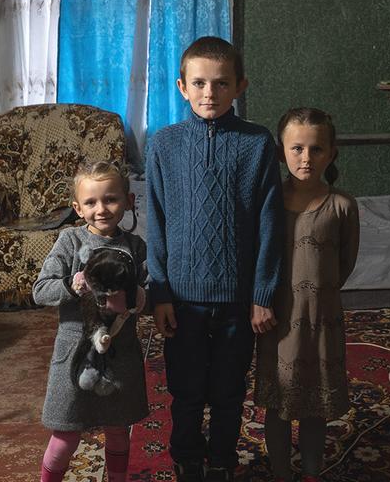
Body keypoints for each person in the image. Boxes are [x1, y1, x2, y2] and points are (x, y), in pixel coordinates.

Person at [146, 36, 285, 482]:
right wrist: (161, 292)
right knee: (185, 391)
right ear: (182, 86)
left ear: (240, 86)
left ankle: (223, 460)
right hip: (182, 300)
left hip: (237, 299)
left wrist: (262, 294)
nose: (210, 93)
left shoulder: (258, 143)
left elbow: (270, 222)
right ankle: (187, 457)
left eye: (221, 84)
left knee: (228, 391)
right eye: (200, 83)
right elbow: (157, 222)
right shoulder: (163, 144)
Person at [253, 108, 361, 481]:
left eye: (316, 149)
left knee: (315, 407)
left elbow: (344, 263)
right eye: (296, 148)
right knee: (279, 404)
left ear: (331, 153)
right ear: (281, 152)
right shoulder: (268, 202)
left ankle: (312, 473)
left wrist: (319, 296)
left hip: (322, 323)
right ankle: (282, 473)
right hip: (278, 320)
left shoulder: (343, 206)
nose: (306, 158)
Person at [33, 161, 148, 482]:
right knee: (67, 433)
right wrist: (73, 284)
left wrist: (141, 295)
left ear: (128, 200)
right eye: (90, 202)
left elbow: (150, 296)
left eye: (111, 199)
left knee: (118, 428)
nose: (102, 209)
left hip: (119, 355)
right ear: (77, 208)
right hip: (74, 357)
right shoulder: (70, 242)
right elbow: (40, 291)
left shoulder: (135, 247)